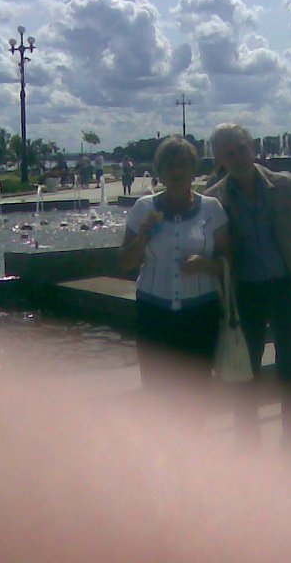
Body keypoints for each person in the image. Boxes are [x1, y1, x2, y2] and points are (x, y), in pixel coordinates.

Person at [205, 123, 291, 450]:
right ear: (218, 159)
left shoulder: (284, 186)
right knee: (245, 370)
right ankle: (247, 445)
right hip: (245, 294)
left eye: (241, 149)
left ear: (252, 148)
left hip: (286, 287)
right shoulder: (214, 200)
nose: (238, 157)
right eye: (229, 153)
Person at [118, 136, 229, 397]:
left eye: (183, 165)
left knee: (197, 393)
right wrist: (142, 237)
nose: (177, 172)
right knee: (157, 393)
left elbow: (229, 261)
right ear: (160, 172)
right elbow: (124, 263)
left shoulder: (212, 209)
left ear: (193, 170)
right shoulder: (143, 207)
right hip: (154, 312)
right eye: (170, 166)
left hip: (200, 314)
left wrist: (205, 264)